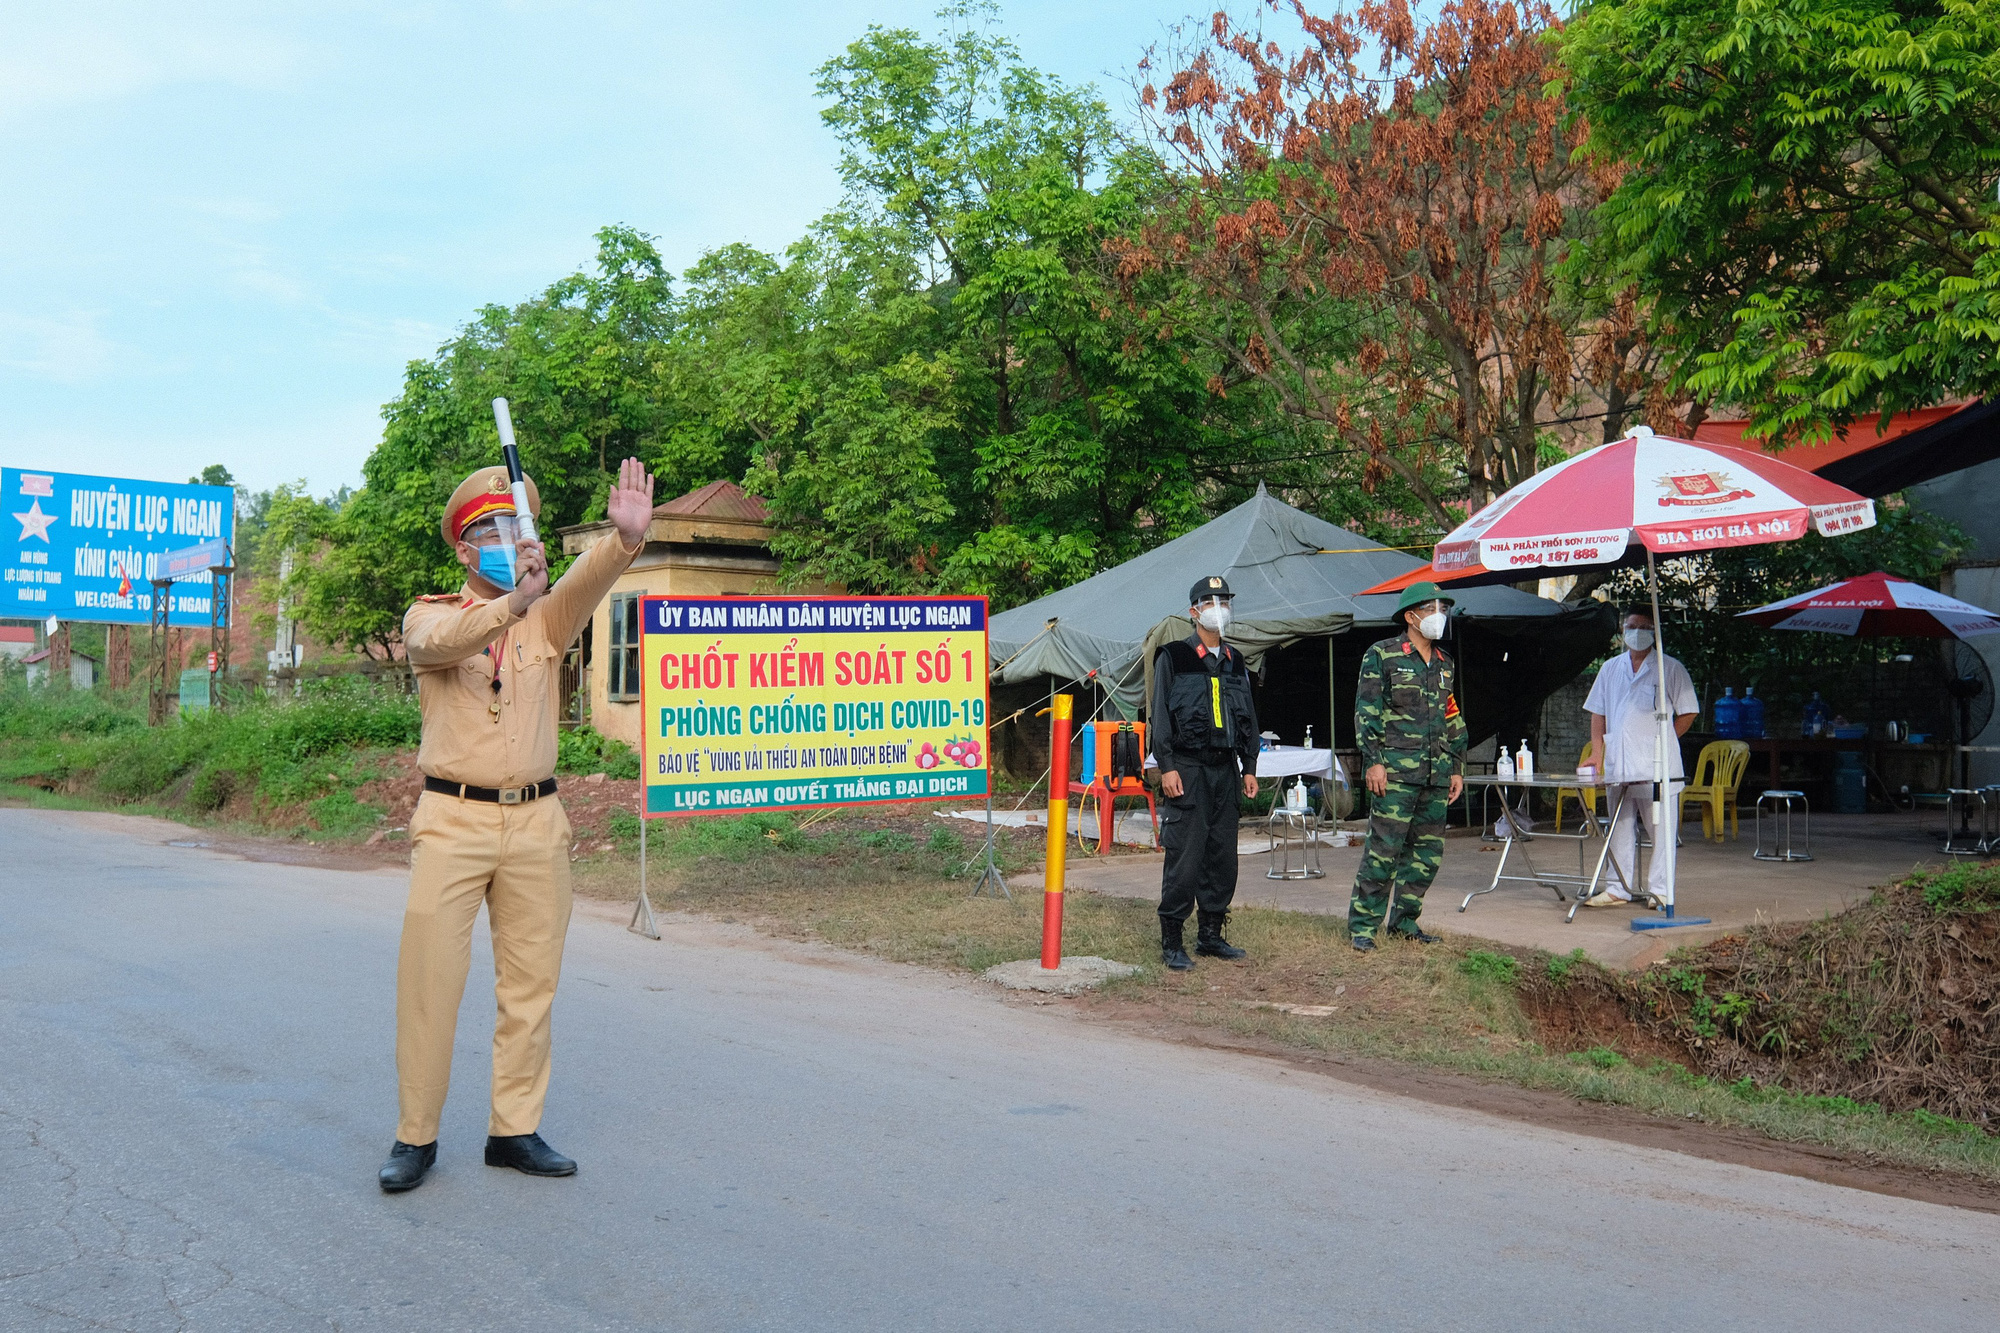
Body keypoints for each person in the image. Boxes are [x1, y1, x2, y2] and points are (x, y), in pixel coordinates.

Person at [378, 457, 655, 1193]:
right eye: (491, 531)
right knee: (431, 982)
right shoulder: (433, 614)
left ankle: (514, 1127)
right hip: (453, 819)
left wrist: (624, 541)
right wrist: (512, 603)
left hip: (537, 820)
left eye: (516, 527)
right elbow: (439, 645)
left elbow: (585, 583)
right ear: (465, 550)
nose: (508, 541)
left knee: (531, 985)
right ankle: (416, 1135)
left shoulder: (546, 619)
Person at [1149, 575, 1261, 970]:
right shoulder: (1174, 656)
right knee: (1185, 855)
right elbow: (1159, 715)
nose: (1220, 609)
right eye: (1212, 602)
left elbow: (1247, 716)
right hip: (1188, 768)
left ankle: (1211, 935)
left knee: (1222, 856)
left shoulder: (1235, 661)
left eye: (1225, 601)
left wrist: (1249, 766)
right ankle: (1172, 941)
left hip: (1225, 771)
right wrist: (1167, 766)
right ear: (1194, 611)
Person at [1350, 582, 1465, 951]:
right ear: (1410, 616)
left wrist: (1456, 767)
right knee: (1383, 853)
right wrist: (1374, 763)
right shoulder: (1381, 656)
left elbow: (1452, 717)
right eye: (1432, 609)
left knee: (1425, 856)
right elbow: (1365, 714)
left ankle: (1404, 923)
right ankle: (1363, 928)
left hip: (1436, 774)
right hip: (1395, 774)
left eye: (1443, 609)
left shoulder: (1446, 664)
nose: (1439, 616)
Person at [1581, 607, 1699, 908]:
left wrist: (1665, 740)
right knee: (1619, 827)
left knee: (1660, 830)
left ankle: (1660, 891)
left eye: (1645, 626)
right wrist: (1597, 752)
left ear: (1655, 632)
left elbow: (1688, 711)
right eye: (1632, 626)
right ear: (1623, 630)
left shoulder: (1669, 668)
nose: (1637, 631)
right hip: (1618, 763)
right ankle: (1618, 888)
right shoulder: (1610, 668)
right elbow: (1598, 712)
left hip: (1656, 765)